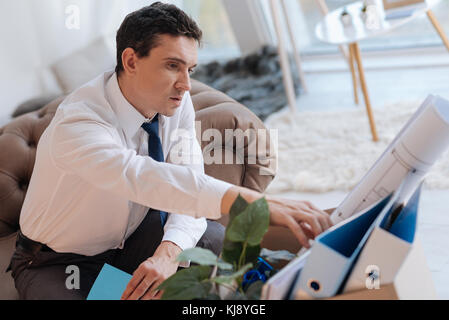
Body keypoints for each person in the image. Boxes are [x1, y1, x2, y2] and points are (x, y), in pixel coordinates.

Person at [8, 2, 332, 300]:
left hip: (132, 238)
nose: (185, 84)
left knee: (213, 239)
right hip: (54, 260)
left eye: (190, 68)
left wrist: (167, 255)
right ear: (131, 60)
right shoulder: (78, 124)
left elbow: (189, 181)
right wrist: (257, 204)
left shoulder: (177, 102)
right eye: (173, 66)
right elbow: (146, 178)